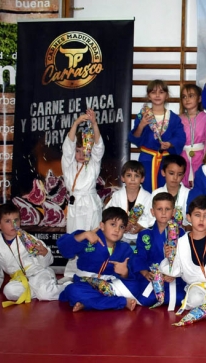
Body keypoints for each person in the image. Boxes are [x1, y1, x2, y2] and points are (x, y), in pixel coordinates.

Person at [0, 203, 63, 305]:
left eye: (16, 220)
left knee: (45, 294)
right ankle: (44, 290)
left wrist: (44, 253)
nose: (13, 224)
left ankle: (66, 287)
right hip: (19, 278)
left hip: (39, 272)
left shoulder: (28, 238)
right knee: (9, 291)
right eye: (7, 221)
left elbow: (46, 263)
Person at [57, 207, 139, 312]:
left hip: (110, 285)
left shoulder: (125, 248)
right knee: (72, 290)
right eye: (113, 224)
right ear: (102, 226)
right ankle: (121, 302)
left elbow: (132, 272)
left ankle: (87, 303)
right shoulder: (89, 238)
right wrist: (83, 235)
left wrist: (125, 273)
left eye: (121, 227)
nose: (117, 230)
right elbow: (64, 249)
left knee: (135, 287)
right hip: (86, 283)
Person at [161, 195, 206, 312]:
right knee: (195, 299)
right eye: (197, 215)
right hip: (196, 287)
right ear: (189, 217)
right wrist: (169, 258)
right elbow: (176, 270)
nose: (201, 220)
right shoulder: (180, 243)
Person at [61, 108, 104, 281]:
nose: (80, 154)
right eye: (77, 150)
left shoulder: (93, 164)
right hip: (75, 204)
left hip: (90, 203)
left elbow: (99, 146)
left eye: (83, 150)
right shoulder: (68, 165)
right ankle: (71, 274)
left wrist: (93, 123)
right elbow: (68, 147)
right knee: (74, 236)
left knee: (92, 235)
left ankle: (92, 272)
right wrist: (77, 123)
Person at [128, 79, 186, 192]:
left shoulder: (173, 118)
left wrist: (170, 144)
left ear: (167, 95)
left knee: (165, 191)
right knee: (146, 190)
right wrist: (142, 125)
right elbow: (135, 138)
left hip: (166, 161)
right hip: (147, 159)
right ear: (149, 96)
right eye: (153, 92)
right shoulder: (143, 116)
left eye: (161, 92)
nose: (157, 95)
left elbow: (180, 137)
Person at [132, 192, 187, 309]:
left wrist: (175, 274)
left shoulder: (180, 233)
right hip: (152, 277)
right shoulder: (144, 234)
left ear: (173, 212)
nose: (163, 213)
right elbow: (139, 257)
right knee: (145, 299)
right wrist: (145, 273)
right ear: (152, 212)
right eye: (159, 209)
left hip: (173, 277)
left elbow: (185, 257)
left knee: (180, 299)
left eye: (167, 209)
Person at [104, 161, 154, 243]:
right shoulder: (117, 196)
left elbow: (153, 216)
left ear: (142, 179)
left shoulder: (148, 197)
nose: (133, 179)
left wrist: (141, 225)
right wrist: (121, 224)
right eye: (129, 175)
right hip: (119, 236)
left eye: (137, 176)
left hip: (141, 236)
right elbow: (108, 214)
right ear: (122, 178)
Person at [179, 83, 206, 188]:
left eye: (191, 96)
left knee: (199, 184)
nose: (187, 99)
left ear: (199, 99)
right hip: (182, 156)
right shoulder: (178, 119)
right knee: (183, 184)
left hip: (201, 156)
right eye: (184, 97)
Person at [151, 155, 190, 226]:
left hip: (183, 233)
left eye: (179, 174)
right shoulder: (156, 193)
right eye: (171, 173)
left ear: (183, 175)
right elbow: (151, 218)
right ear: (163, 172)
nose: (175, 178)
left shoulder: (189, 194)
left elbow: (192, 220)